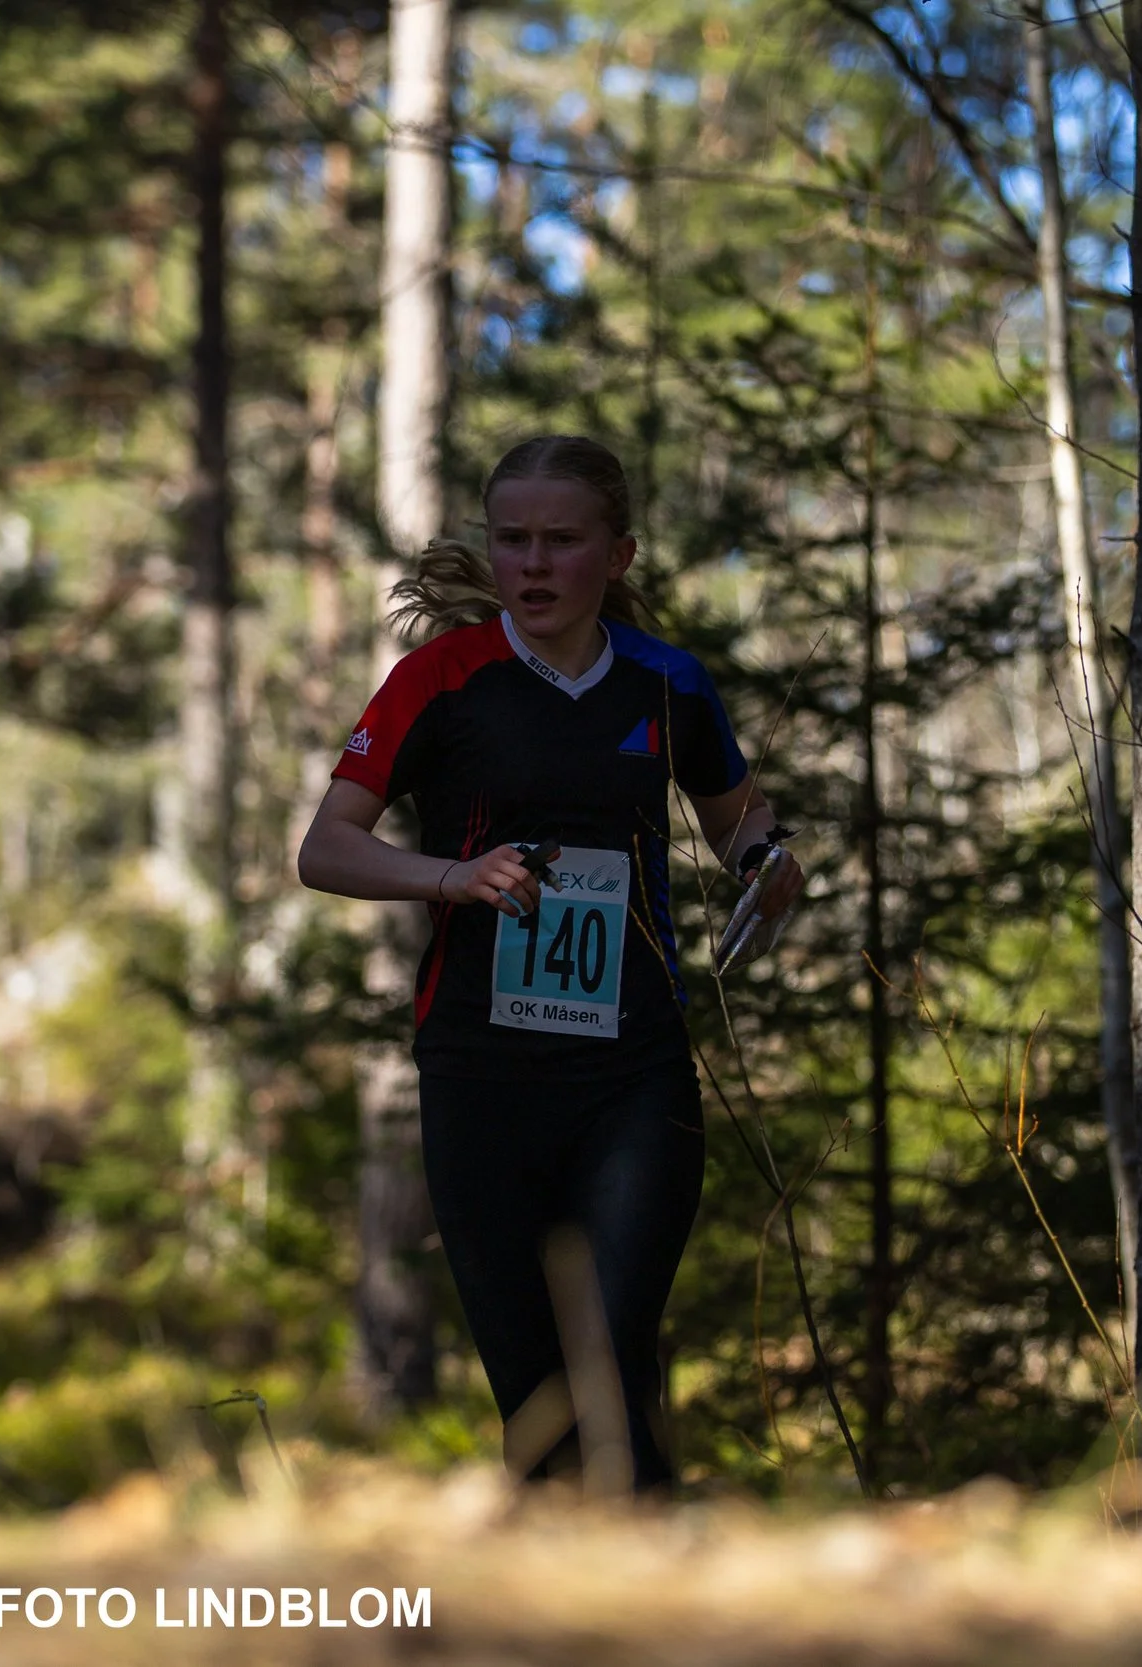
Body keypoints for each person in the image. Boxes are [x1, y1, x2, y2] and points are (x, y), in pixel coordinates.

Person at [297, 434, 801, 1493]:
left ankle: (643, 1578)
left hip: (632, 1066)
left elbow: (736, 814)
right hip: (480, 1065)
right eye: (512, 538)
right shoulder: (437, 680)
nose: (531, 563)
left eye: (561, 541)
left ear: (615, 554)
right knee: (532, 1381)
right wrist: (451, 876)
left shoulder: (667, 683)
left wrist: (767, 859)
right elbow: (325, 847)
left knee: (614, 1344)